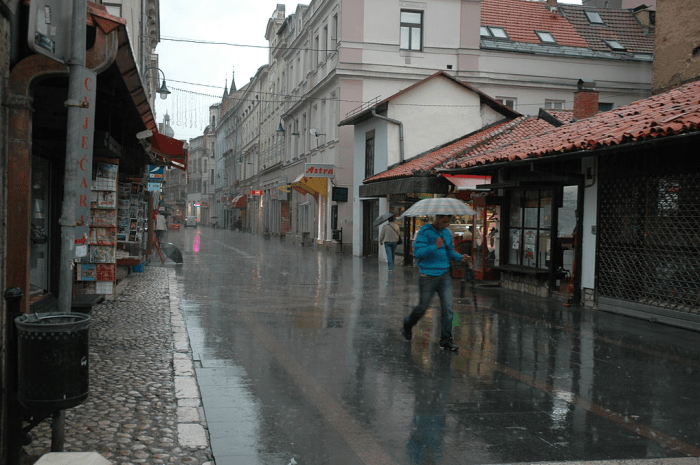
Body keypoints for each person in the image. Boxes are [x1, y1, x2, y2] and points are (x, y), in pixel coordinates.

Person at [401, 214, 468, 351]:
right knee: (422, 307)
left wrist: (460, 257)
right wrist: (434, 246)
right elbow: (417, 253)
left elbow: (450, 252)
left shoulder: (447, 233)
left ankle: (446, 340)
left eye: (449, 220)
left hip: (444, 275)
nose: (447, 223)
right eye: (444, 220)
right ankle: (407, 325)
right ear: (437, 218)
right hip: (427, 276)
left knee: (448, 309)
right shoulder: (424, 232)